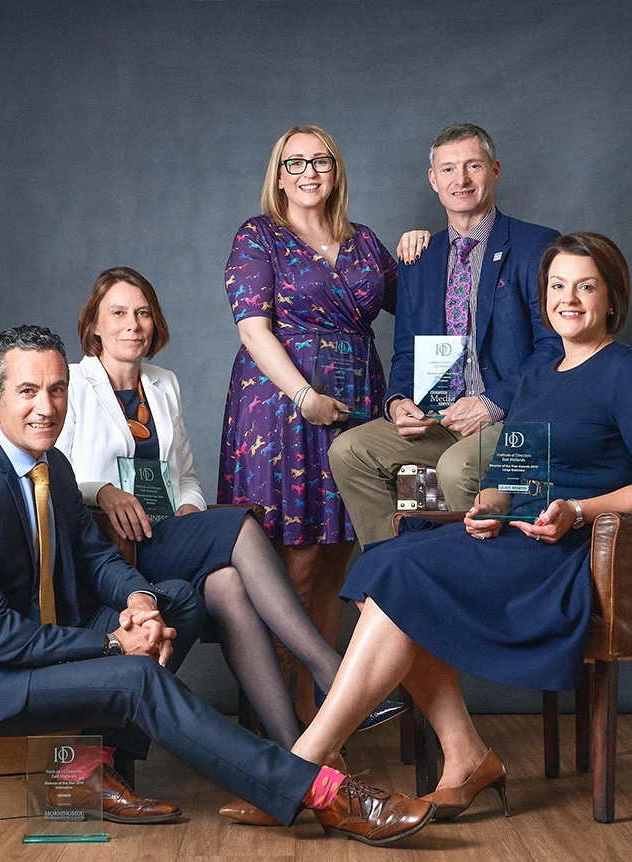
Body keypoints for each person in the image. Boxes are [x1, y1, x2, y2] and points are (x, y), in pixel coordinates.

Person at [0, 325, 435, 844]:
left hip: (36, 640)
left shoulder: (53, 469)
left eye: (57, 389)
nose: (47, 406)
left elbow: (93, 558)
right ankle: (322, 792)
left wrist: (139, 602)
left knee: (175, 600)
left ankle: (92, 767)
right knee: (137, 678)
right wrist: (114, 642)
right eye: (27, 391)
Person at [286, 233, 632, 820]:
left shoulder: (631, 374)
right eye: (557, 286)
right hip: (513, 536)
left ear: (611, 298)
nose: (567, 299)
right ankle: (459, 756)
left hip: (569, 555)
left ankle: (303, 767)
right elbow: (509, 467)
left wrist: (578, 512)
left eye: (585, 286)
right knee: (389, 565)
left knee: (402, 575)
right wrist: (490, 506)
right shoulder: (541, 372)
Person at [56, 267, 402, 756]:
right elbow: (53, 474)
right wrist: (104, 491)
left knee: (230, 585)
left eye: (142, 313)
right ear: (94, 325)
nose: (132, 324)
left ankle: (294, 757)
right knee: (238, 523)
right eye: (118, 313)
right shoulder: (71, 383)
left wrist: (192, 511)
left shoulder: (163, 384)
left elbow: (187, 477)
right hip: (109, 547)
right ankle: (331, 670)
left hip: (166, 533)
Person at [217, 125, 401, 719]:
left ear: (336, 170)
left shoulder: (365, 241)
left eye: (319, 161)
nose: (307, 173)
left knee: (335, 563)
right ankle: (280, 730)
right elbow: (253, 329)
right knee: (294, 565)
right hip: (283, 408)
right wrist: (303, 396)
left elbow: (423, 299)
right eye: (293, 163)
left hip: (358, 403)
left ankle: (321, 722)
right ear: (278, 173)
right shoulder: (258, 237)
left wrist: (428, 246)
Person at [329, 123, 563, 548]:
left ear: (494, 170)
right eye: (449, 169)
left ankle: (468, 585)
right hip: (440, 418)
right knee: (349, 451)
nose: (462, 180)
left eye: (473, 166)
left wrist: (493, 403)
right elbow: (406, 353)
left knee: (456, 469)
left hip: (514, 417)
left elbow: (556, 346)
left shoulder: (537, 246)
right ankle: (394, 573)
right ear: (433, 180)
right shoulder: (420, 258)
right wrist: (398, 402)